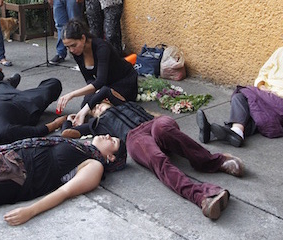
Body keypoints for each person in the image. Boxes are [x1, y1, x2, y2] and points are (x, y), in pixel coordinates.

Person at [60, 88, 244, 220]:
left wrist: (86, 108)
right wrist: (69, 120)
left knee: (162, 130)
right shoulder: (96, 125)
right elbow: (68, 133)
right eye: (95, 110)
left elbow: (106, 89)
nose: (98, 109)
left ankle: (213, 161)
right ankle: (202, 197)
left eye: (98, 105)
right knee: (157, 159)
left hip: (153, 124)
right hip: (134, 138)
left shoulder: (122, 103)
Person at [197, 19, 283, 151]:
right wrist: (261, 86)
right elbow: (263, 72)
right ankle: (236, 132)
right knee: (241, 97)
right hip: (265, 94)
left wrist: (276, 93)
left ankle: (217, 131)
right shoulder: (280, 52)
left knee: (250, 105)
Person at [55, 19, 138, 116]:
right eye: (67, 47)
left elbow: (100, 81)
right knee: (86, 105)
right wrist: (95, 92)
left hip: (123, 82)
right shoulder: (77, 52)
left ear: (83, 38)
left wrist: (72, 94)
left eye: (73, 45)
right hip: (105, 85)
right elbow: (89, 79)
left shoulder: (102, 48)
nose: (71, 50)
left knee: (101, 108)